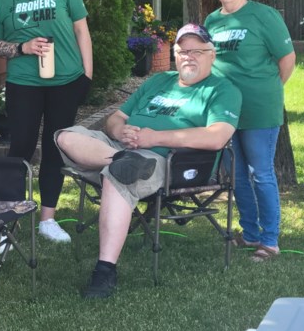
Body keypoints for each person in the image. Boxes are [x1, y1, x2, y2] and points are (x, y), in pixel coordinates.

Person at [55, 24, 242, 298]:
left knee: (121, 174)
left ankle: (105, 270)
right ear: (174, 55)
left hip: (166, 160)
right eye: (182, 50)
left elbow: (217, 137)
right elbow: (116, 118)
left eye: (197, 51)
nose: (188, 56)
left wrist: (154, 138)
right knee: (65, 136)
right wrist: (120, 132)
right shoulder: (158, 81)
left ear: (212, 55)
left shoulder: (221, 90)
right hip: (123, 148)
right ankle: (119, 159)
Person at [0, 0, 93, 243]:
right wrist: (22, 48)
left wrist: (86, 75)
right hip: (24, 81)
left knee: (55, 146)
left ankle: (47, 219)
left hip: (66, 80)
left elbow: (81, 31)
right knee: (20, 146)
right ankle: (9, 219)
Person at [202, 0, 296, 263]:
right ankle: (251, 232)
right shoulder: (212, 21)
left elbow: (287, 59)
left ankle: (269, 241)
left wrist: (266, 90)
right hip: (227, 111)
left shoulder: (263, 16)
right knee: (237, 176)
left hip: (259, 110)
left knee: (261, 173)